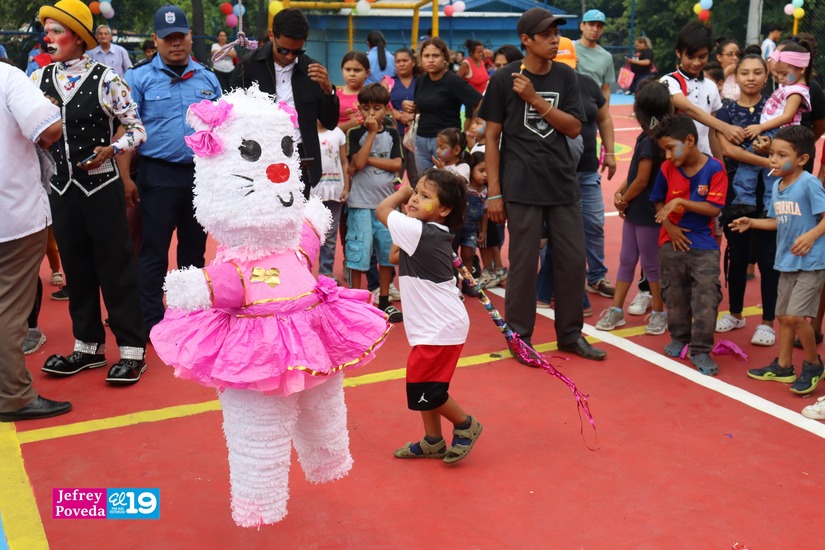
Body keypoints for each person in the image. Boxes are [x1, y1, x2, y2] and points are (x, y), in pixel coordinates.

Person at [32, 0, 148, 384]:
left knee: (115, 265)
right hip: (60, 189)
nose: (48, 37)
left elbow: (136, 129)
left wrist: (112, 149)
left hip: (100, 187)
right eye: (46, 30)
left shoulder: (106, 79)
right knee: (77, 269)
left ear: (78, 37)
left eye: (56, 31)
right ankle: (88, 346)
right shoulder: (38, 80)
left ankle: (132, 349)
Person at [480, 7, 605, 362]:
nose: (555, 39)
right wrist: (494, 192)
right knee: (522, 265)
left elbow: (574, 127)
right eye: (547, 34)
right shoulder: (504, 79)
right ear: (526, 40)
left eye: (556, 33)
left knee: (571, 260)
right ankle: (519, 337)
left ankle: (569, 335)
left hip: (562, 184)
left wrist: (534, 99)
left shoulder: (566, 76)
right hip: (521, 186)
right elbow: (491, 137)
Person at [125, 4, 221, 338]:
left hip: (199, 176)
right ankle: (151, 319)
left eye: (180, 37)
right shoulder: (138, 78)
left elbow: (222, 129)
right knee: (154, 249)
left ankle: (190, 316)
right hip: (158, 174)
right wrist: (126, 178)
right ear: (155, 39)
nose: (175, 44)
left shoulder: (209, 78)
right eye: (168, 39)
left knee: (193, 251)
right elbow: (125, 130)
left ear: (190, 37)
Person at [377, 170, 482, 463]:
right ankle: (433, 441)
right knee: (424, 383)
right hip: (433, 326)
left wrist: (401, 193)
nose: (414, 199)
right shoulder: (426, 232)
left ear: (444, 209)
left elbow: (381, 210)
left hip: (440, 328)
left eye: (424, 196)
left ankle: (465, 425)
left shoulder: (422, 232)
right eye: (415, 193)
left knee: (426, 388)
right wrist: (411, 214)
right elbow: (395, 257)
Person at [0, 61, 72, 422]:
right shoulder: (7, 77)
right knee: (10, 309)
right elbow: (51, 128)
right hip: (11, 215)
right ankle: (12, 396)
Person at [731, 126, 825, 398]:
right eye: (771, 153)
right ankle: (784, 366)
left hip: (811, 262)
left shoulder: (809, 183)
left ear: (802, 159)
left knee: (796, 317)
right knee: (783, 317)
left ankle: (813, 364)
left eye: (781, 154)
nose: (773, 159)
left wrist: (811, 235)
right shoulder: (778, 185)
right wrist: (752, 222)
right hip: (786, 262)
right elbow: (775, 220)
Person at [231, 8, 339, 196]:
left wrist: (328, 90)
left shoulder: (313, 70)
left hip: (300, 158)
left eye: (297, 51)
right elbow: (230, 116)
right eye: (283, 49)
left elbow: (330, 122)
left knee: (296, 221)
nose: (289, 56)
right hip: (259, 157)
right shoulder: (248, 66)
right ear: (272, 34)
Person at [650, 114, 727, 375]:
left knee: (706, 294)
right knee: (674, 293)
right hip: (670, 242)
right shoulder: (666, 169)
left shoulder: (714, 168)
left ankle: (701, 348)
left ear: (690, 140)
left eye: (671, 148)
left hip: (704, 244)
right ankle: (679, 336)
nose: (668, 156)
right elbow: (658, 200)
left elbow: (713, 209)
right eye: (665, 151)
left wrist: (681, 203)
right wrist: (670, 228)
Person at [715, 54, 780, 347]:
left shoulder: (775, 109)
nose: (751, 78)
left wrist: (772, 148)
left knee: (767, 259)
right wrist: (765, 157)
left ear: (766, 77)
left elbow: (786, 146)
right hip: (735, 196)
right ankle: (736, 312)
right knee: (737, 256)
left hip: (769, 198)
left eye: (757, 73)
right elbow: (727, 150)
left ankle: (767, 322)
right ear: (735, 77)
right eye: (745, 73)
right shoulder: (726, 112)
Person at [597, 80, 670, 334]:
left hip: (647, 211)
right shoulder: (648, 136)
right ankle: (616, 310)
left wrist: (625, 198)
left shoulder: (653, 140)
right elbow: (636, 174)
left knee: (650, 264)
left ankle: (660, 313)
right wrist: (620, 192)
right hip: (636, 209)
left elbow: (642, 179)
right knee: (627, 258)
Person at [345, 83, 403, 322]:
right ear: (360, 108)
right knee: (358, 253)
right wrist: (369, 133)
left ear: (386, 109)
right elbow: (355, 165)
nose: (371, 113)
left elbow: (396, 164)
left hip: (386, 205)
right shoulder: (355, 133)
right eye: (366, 108)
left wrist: (367, 159)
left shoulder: (392, 134)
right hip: (360, 203)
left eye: (377, 108)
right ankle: (354, 302)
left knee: (386, 254)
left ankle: (384, 300)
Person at [659, 22, 744, 160]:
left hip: (704, 161)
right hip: (676, 160)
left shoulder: (711, 86)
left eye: (702, 56)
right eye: (691, 57)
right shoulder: (668, 82)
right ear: (679, 53)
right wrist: (725, 127)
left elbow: (711, 133)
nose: (696, 62)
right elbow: (688, 108)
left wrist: (720, 167)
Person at [403, 37, 481, 174]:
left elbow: (479, 102)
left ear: (445, 57)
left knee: (446, 185)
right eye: (426, 56)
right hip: (421, 140)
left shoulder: (453, 81)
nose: (431, 60)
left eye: (436, 55)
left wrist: (470, 129)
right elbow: (424, 106)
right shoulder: (421, 80)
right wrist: (410, 107)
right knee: (425, 184)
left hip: (446, 142)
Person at [314, 119, 349, 279]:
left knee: (330, 233)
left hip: (335, 189)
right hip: (313, 191)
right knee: (311, 232)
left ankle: (326, 272)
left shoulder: (338, 133)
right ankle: (305, 273)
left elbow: (343, 162)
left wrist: (346, 187)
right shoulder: (304, 134)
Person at [389, 47, 419, 185]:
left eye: (405, 60)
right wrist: (399, 116)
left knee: (417, 173)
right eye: (398, 61)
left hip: (418, 135)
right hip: (396, 134)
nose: (401, 64)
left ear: (413, 62)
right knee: (396, 174)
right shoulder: (388, 82)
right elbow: (383, 106)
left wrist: (414, 115)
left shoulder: (421, 81)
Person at [576, 9, 614, 104]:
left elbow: (605, 88)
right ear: (582, 26)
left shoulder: (607, 57)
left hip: (593, 109)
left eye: (599, 26)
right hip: (569, 107)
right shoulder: (568, 48)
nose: (595, 29)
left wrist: (604, 115)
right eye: (591, 24)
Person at [337, 50, 370, 133]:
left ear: (367, 73)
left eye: (357, 70)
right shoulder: (334, 96)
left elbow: (390, 123)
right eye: (348, 70)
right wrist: (348, 125)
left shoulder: (375, 94)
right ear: (342, 71)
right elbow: (325, 129)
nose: (352, 74)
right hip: (341, 144)